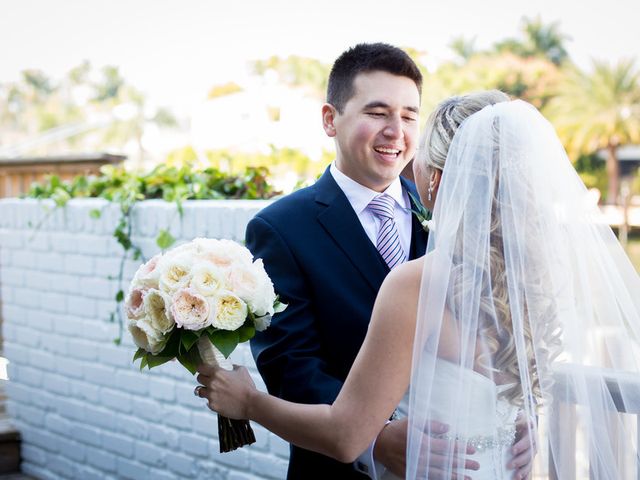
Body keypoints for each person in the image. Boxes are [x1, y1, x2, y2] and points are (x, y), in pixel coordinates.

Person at [196, 91, 640, 479]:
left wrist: (248, 402)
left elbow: (347, 437)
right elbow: (507, 383)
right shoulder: (529, 278)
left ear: (439, 178)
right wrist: (517, 425)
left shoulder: (415, 283)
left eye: (418, 137)